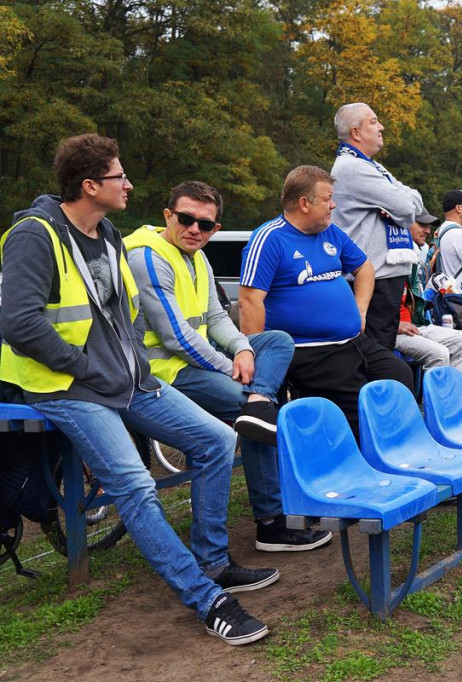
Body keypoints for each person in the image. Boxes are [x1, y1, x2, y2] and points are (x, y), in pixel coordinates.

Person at [0, 134, 274, 645]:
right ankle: (206, 598)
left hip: (127, 381)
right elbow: (18, 323)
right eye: (118, 176)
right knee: (136, 486)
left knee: (218, 441)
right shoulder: (34, 235)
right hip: (67, 388)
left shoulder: (106, 232)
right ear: (89, 185)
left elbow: (120, 316)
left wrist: (134, 368)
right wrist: (84, 367)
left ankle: (212, 562)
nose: (128, 184)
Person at [124, 181, 331, 553]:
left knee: (277, 341)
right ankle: (271, 522)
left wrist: (243, 349)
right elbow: (177, 338)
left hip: (198, 361)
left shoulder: (196, 255)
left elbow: (217, 317)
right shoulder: (148, 257)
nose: (194, 229)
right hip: (165, 371)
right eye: (186, 219)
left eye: (205, 224)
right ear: (168, 216)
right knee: (256, 417)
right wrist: (229, 365)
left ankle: (259, 401)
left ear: (215, 229)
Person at [239, 165, 414, 442]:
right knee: (357, 404)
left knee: (399, 376)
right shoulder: (271, 238)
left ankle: (391, 449)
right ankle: (360, 464)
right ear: (304, 204)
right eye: (327, 198)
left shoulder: (330, 232)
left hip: (354, 341)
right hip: (311, 350)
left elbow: (365, 269)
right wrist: (257, 353)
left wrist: (360, 310)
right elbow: (249, 301)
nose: (333, 205)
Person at [330, 103, 425, 350]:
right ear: (356, 133)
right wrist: (398, 203)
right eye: (373, 122)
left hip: (383, 281)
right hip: (372, 283)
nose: (381, 127)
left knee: (380, 353)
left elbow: (415, 200)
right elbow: (405, 208)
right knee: (374, 357)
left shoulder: (373, 167)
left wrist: (398, 202)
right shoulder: (352, 167)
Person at [396, 217, 462, 380]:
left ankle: (455, 400)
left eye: (429, 226)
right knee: (439, 354)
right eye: (422, 225)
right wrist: (394, 324)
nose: (428, 231)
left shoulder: (411, 259)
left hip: (414, 325)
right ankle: (436, 405)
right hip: (390, 330)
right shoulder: (385, 257)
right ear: (403, 225)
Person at [434, 189, 462, 287]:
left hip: (447, 293)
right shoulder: (459, 234)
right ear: (458, 208)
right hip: (461, 296)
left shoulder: (440, 231)